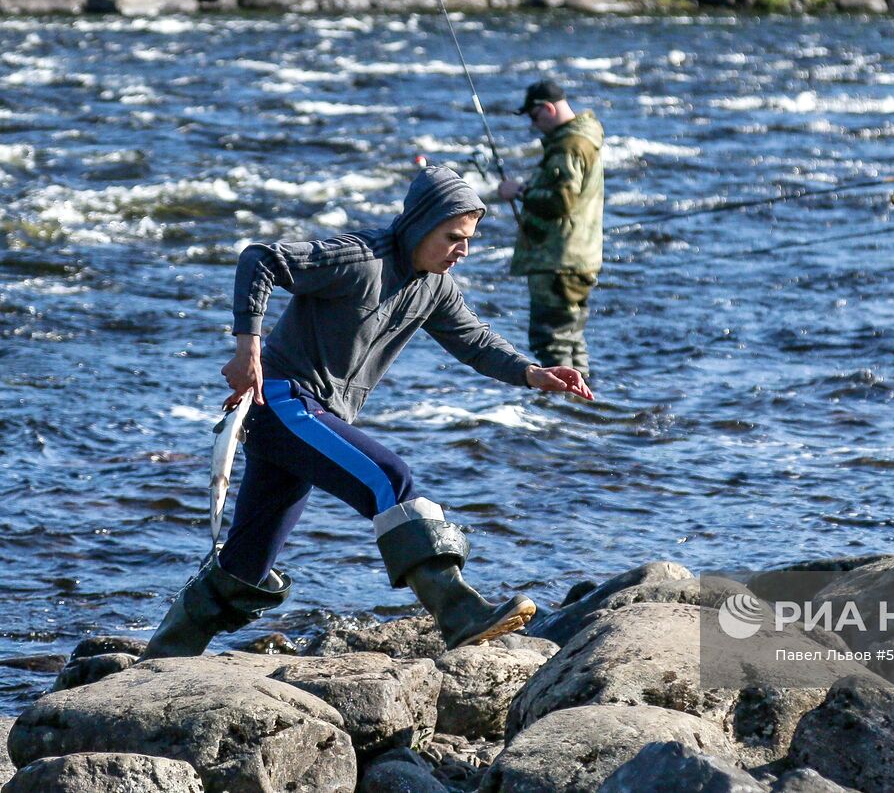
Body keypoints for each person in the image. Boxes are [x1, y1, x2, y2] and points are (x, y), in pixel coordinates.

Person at [142, 166, 592, 660]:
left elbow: (476, 341)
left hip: (306, 417)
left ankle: (163, 658)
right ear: (421, 224)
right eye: (453, 237)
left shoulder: (434, 286)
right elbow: (261, 259)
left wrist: (532, 372)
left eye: (469, 240)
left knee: (248, 558)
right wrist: (248, 348)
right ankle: (458, 612)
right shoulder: (360, 258)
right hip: (283, 401)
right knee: (389, 480)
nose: (463, 249)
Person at [497, 80, 604, 377]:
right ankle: (579, 407)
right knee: (571, 341)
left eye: (534, 117)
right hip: (577, 257)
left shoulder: (569, 145)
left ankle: (560, 412)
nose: (534, 124)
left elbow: (561, 200)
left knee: (551, 342)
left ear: (547, 108)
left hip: (558, 259)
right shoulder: (582, 139)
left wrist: (519, 192)